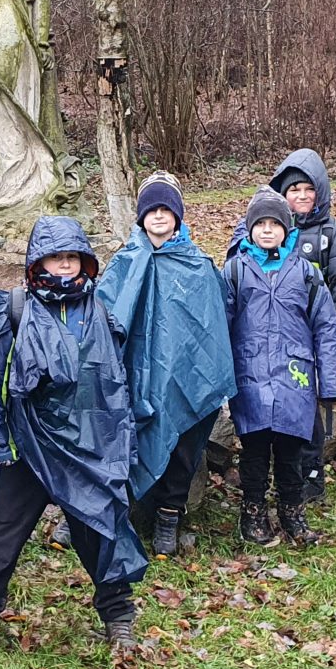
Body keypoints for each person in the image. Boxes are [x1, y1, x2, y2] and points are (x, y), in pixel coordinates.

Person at [0, 216, 145, 666]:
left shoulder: (98, 313)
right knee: (5, 533)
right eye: (56, 258)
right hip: (27, 446)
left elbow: (113, 385)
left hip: (85, 449)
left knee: (97, 530)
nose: (65, 266)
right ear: (38, 262)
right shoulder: (15, 311)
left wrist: (119, 444)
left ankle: (118, 615)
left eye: (72, 257)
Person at [94, 171, 236, 560]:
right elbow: (103, 317)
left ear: (177, 215)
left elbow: (211, 327)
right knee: (118, 433)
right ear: (141, 216)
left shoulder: (198, 265)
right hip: (133, 374)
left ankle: (169, 515)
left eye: (166, 208)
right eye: (151, 209)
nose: (158, 215)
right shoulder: (125, 262)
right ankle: (103, 511)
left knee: (185, 438)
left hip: (184, 374)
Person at [224, 191, 336, 548]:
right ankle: (253, 511)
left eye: (274, 224)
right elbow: (219, 326)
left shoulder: (306, 273)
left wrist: (331, 384)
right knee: (255, 449)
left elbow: (326, 328)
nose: (267, 230)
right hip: (250, 374)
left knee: (292, 450)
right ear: (249, 229)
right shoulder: (235, 271)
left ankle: (293, 512)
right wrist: (220, 378)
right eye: (260, 223)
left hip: (295, 376)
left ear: (287, 230)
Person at [267, 150, 336, 504]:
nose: (302, 196)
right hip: (274, 342)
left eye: (309, 189)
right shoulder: (270, 231)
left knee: (309, 417)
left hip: (314, 344)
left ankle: (311, 479)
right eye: (294, 190)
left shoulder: (333, 236)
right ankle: (282, 475)